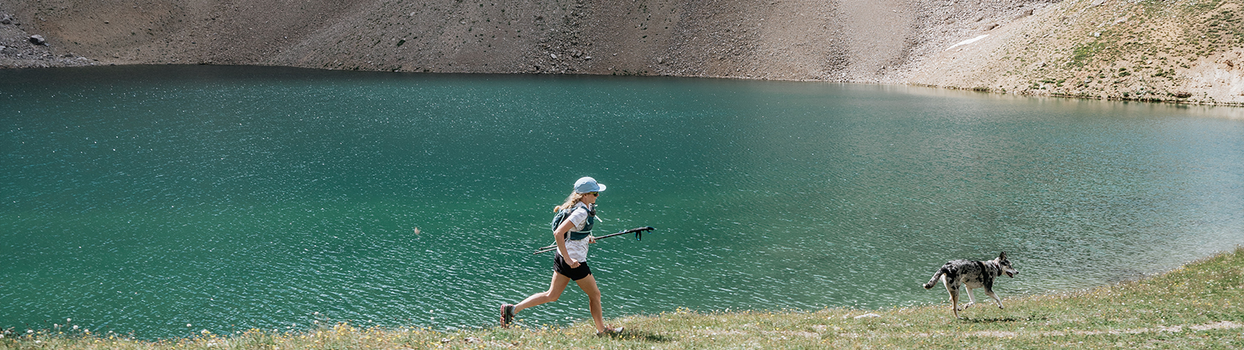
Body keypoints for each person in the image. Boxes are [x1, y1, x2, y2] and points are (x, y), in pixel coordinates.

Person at [500, 177, 623, 336]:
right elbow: (558, 233)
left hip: (563, 257)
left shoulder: (578, 208)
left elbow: (572, 233)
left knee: (552, 295)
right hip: (574, 262)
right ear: (585, 195)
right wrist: (569, 259)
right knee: (595, 294)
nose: (597, 196)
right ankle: (602, 331)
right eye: (595, 193)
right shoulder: (580, 212)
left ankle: (512, 309)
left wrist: (586, 237)